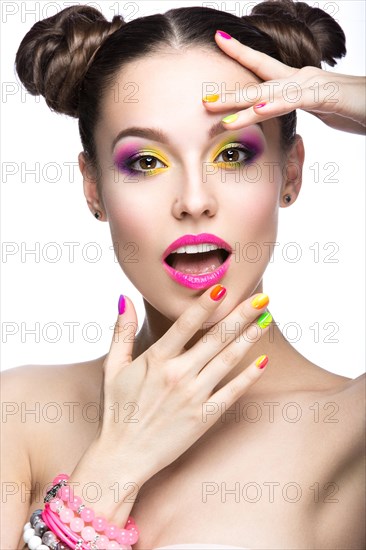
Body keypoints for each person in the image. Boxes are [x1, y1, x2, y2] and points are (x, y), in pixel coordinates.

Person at [1, 0, 365, 549]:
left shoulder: (353, 429)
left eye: (233, 154)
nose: (194, 201)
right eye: (145, 162)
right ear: (94, 187)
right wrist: (115, 464)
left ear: (289, 172)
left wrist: (351, 96)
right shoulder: (21, 412)